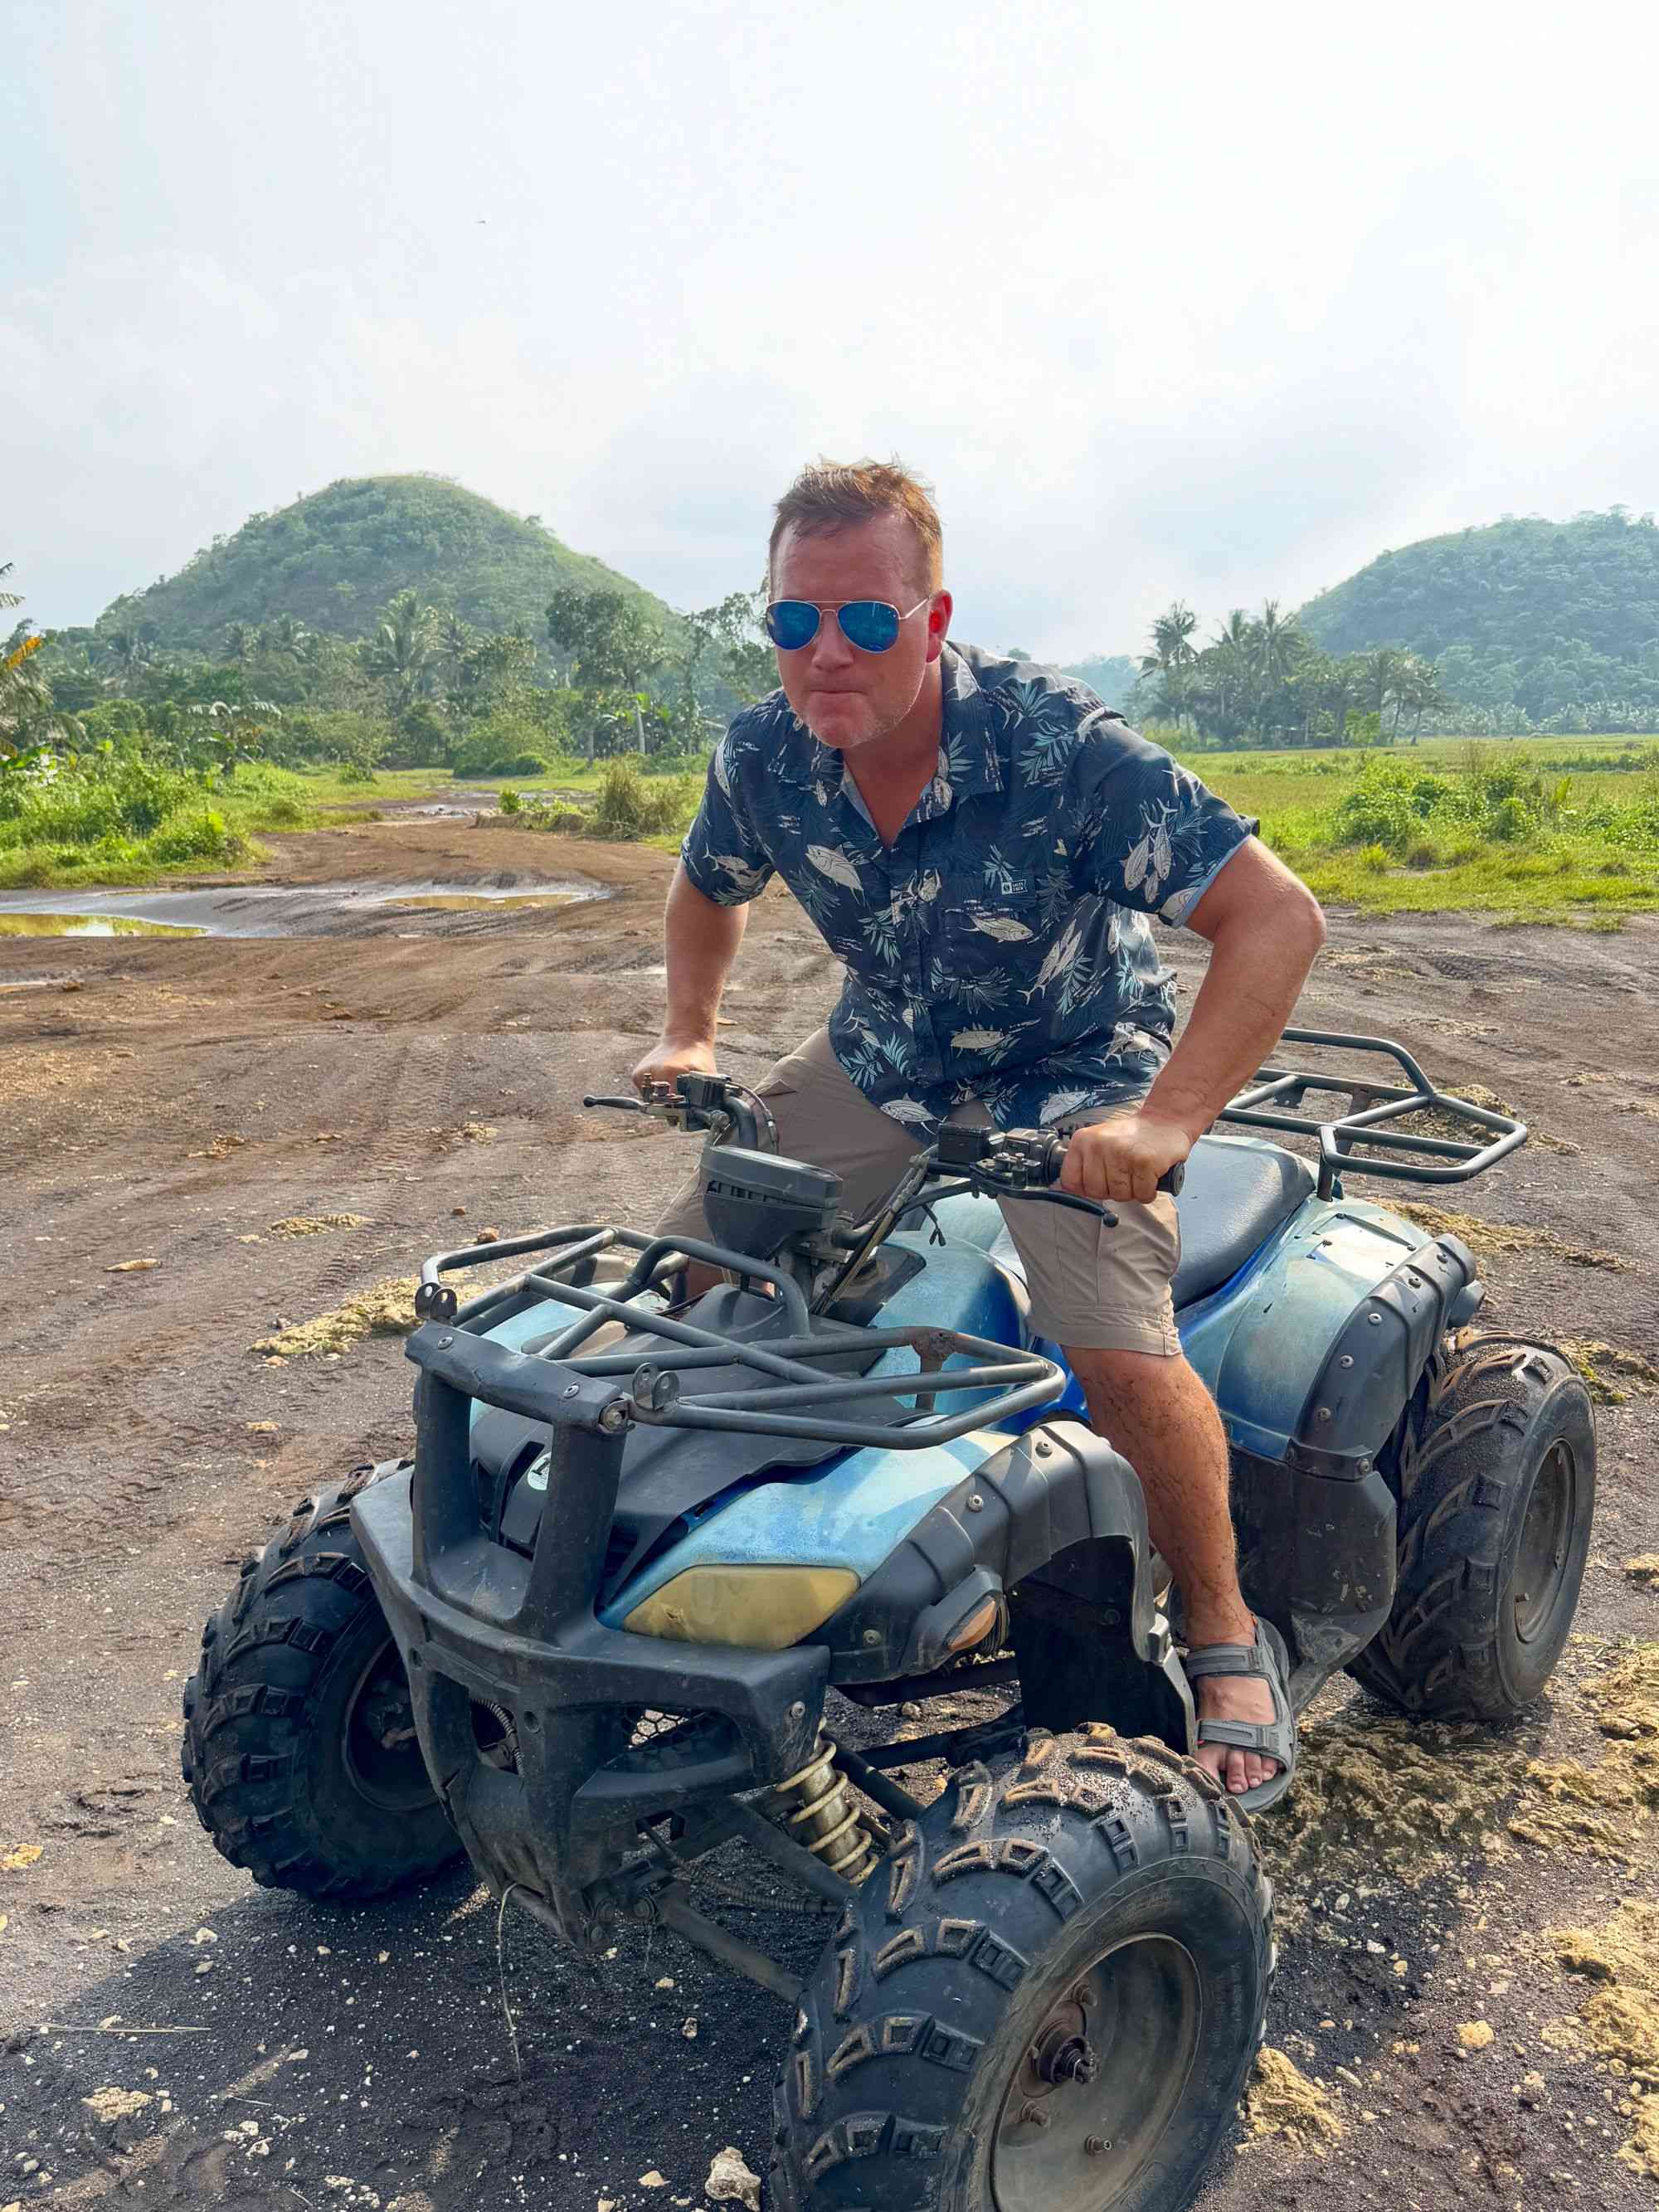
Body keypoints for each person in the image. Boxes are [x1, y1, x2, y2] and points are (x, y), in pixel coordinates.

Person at [632, 459, 1326, 1807]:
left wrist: (1165, 1120)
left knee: (1115, 1349)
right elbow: (707, 884)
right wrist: (690, 1033)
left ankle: (1224, 1636)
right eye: (794, 620)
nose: (828, 652)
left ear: (932, 618)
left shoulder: (1058, 746)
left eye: (867, 619)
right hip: (887, 1051)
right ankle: (666, 1582)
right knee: (696, 1276)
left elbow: (1275, 915)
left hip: (1071, 1066)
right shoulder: (764, 752)